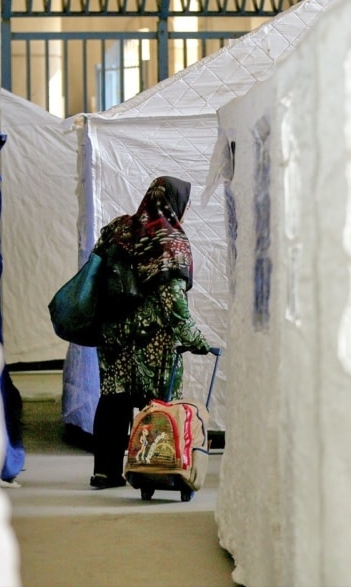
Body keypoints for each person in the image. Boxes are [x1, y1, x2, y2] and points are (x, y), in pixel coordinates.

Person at [88, 176, 211, 489]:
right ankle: (152, 468)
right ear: (175, 204)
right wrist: (195, 339)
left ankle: (105, 471)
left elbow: (96, 272)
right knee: (157, 405)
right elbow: (174, 302)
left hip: (113, 334)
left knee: (113, 399)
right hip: (153, 340)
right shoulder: (170, 240)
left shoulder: (117, 229)